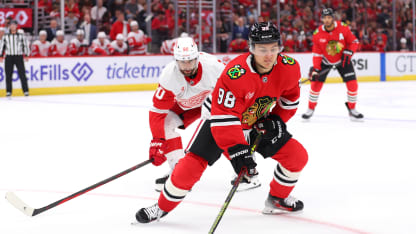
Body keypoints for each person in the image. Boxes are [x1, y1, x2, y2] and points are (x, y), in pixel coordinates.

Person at [136, 22, 308, 223]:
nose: (269, 55)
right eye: (262, 50)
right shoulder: (235, 73)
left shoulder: (289, 67)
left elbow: (290, 99)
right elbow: (224, 115)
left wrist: (276, 120)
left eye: (273, 49)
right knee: (188, 170)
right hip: (218, 120)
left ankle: (277, 199)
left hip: (255, 121)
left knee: (297, 157)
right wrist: (237, 150)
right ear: (251, 49)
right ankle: (161, 207)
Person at [146, 37, 226, 192]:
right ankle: (178, 173)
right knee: (165, 124)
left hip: (214, 100)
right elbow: (157, 111)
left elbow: (234, 86)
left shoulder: (213, 66)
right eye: (182, 62)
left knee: (221, 129)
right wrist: (158, 140)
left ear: (197, 57)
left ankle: (246, 172)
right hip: (187, 106)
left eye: (190, 61)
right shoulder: (169, 76)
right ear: (175, 60)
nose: (187, 66)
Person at [302, 8, 363, 121]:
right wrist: (315, 68)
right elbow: (317, 54)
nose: (327, 20)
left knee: (353, 84)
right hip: (326, 61)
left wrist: (349, 52)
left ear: (333, 18)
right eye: (324, 18)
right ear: (322, 19)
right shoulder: (317, 34)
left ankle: (352, 108)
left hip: (343, 59)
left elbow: (354, 42)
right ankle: (310, 109)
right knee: (315, 85)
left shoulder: (343, 27)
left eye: (329, 17)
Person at [0, 20, 30, 97]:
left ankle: (25, 90)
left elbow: (25, 45)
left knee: (22, 74)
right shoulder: (5, 36)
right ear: (9, 26)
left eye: (14, 25)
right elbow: (2, 46)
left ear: (16, 26)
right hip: (9, 56)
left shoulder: (21, 36)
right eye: (11, 25)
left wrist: (26, 54)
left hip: (18, 56)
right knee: (8, 74)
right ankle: (8, 91)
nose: (13, 26)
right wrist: (1, 56)